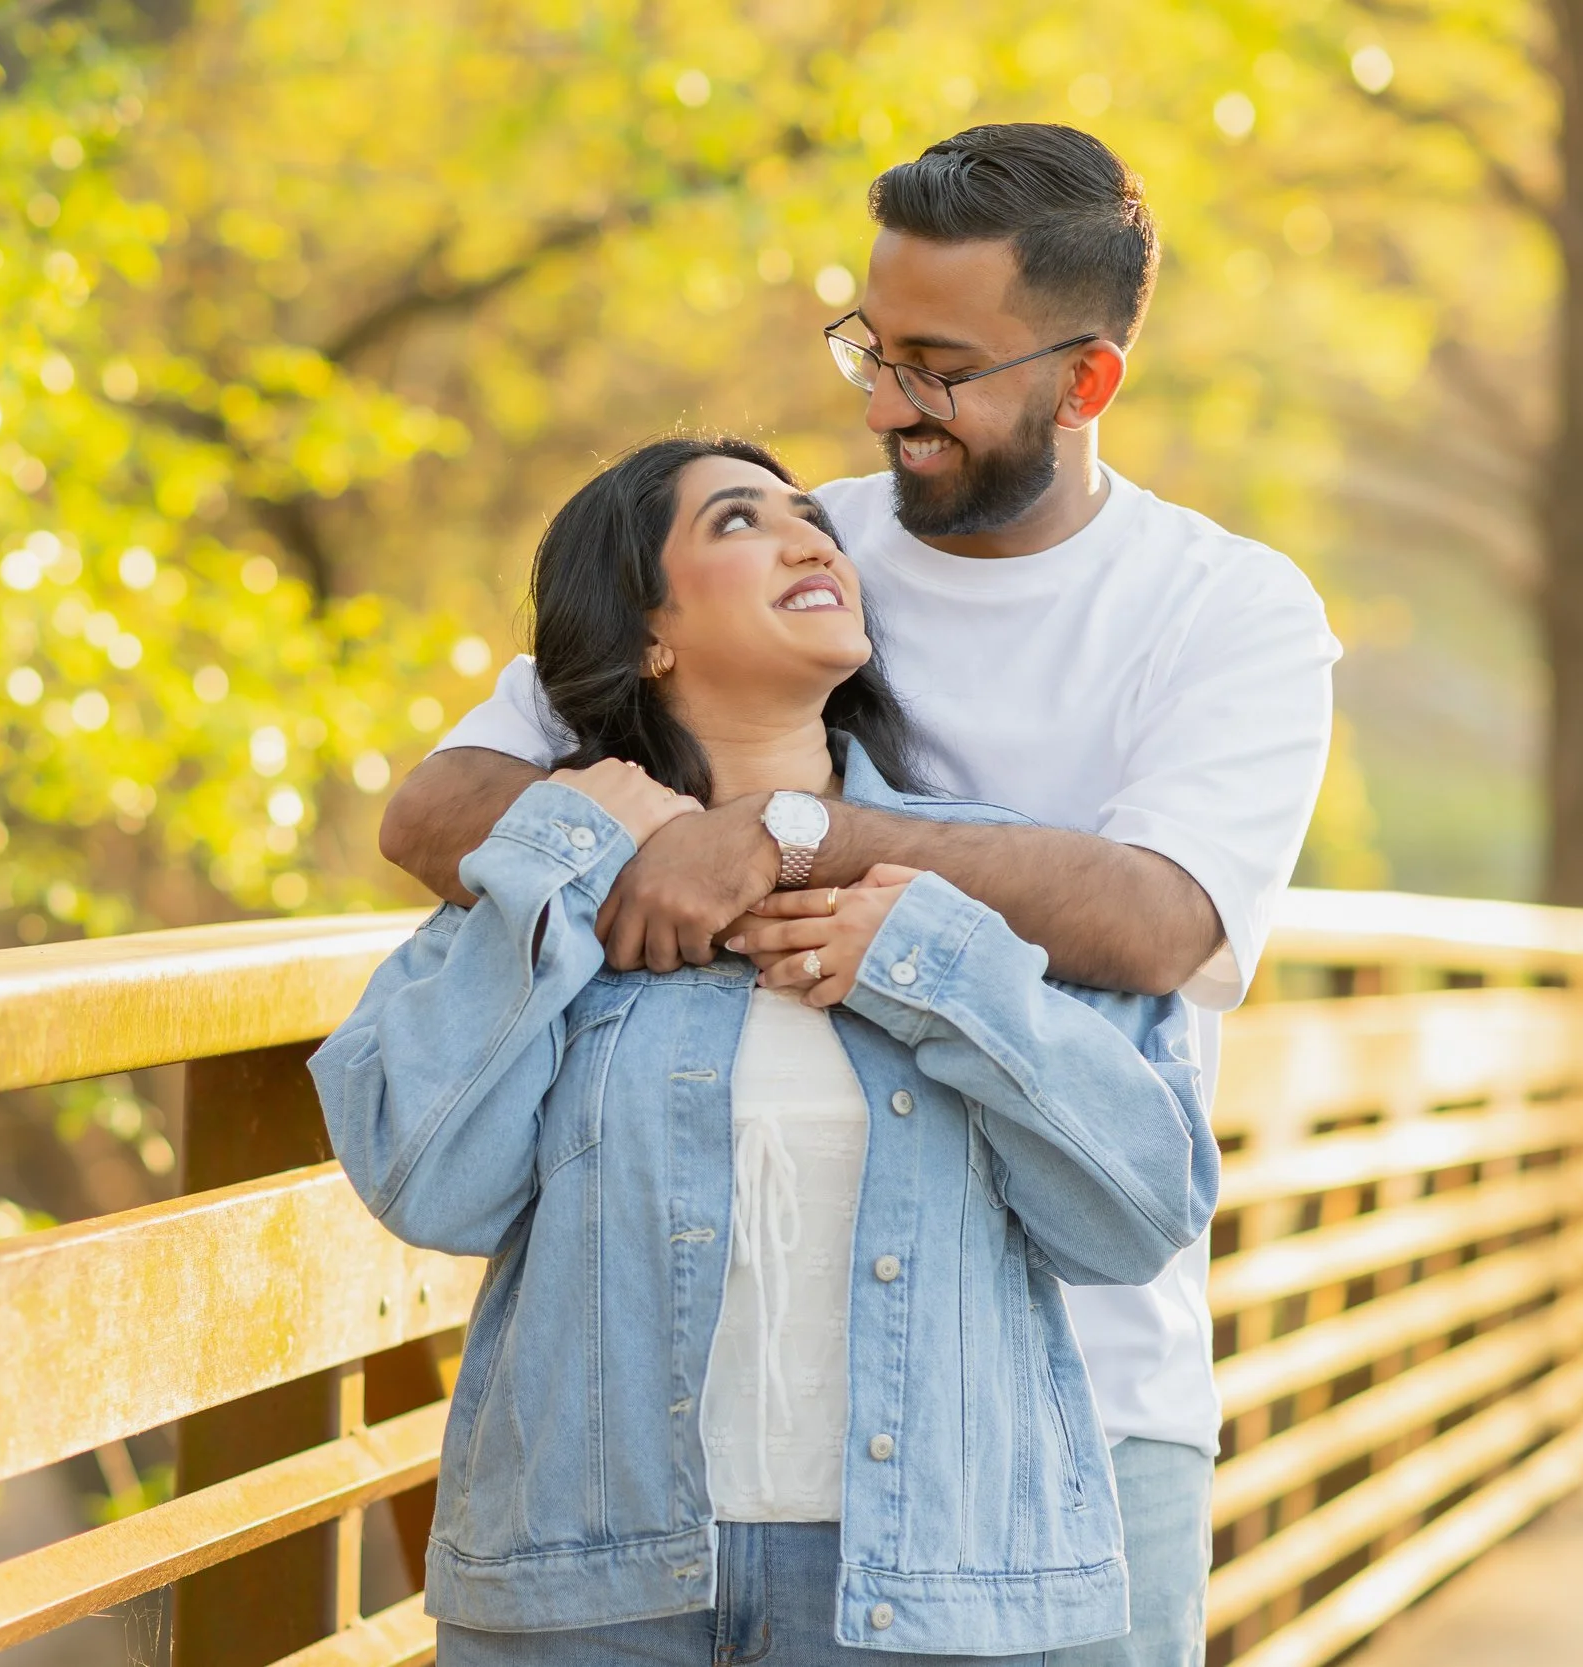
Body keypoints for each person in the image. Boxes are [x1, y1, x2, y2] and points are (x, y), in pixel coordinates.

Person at [378, 126, 1340, 1664]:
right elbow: (441, 807)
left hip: (1090, 1397)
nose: (888, 405)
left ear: (1086, 382)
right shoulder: (786, 546)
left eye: (940, 368)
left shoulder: (1224, 609)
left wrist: (791, 829)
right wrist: (642, 832)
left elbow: (1164, 922)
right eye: (871, 349)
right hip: (691, 1461)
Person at [316, 435, 1219, 1663]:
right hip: (596, 1595)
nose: (811, 538)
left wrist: (936, 968)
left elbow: (1138, 1209)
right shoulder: (553, 876)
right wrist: (560, 864)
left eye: (813, 518)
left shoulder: (984, 882)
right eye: (740, 521)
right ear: (649, 634)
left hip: (936, 1597)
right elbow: (426, 1180)